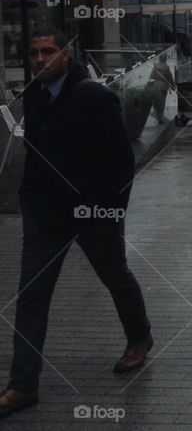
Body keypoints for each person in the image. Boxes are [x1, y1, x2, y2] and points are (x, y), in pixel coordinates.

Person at [0, 28, 152, 420]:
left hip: (92, 214)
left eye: (48, 51)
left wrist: (110, 210)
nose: (39, 59)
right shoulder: (34, 95)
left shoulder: (94, 97)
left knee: (115, 276)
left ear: (66, 55)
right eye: (33, 52)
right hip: (44, 216)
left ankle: (139, 337)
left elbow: (121, 162)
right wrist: (28, 197)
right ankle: (22, 385)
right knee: (31, 296)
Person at [148, 51, 175, 122]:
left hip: (156, 86)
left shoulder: (155, 66)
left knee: (156, 102)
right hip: (163, 87)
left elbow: (151, 76)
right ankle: (160, 117)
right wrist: (173, 87)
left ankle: (158, 115)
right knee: (162, 102)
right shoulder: (166, 67)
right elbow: (170, 77)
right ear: (165, 59)